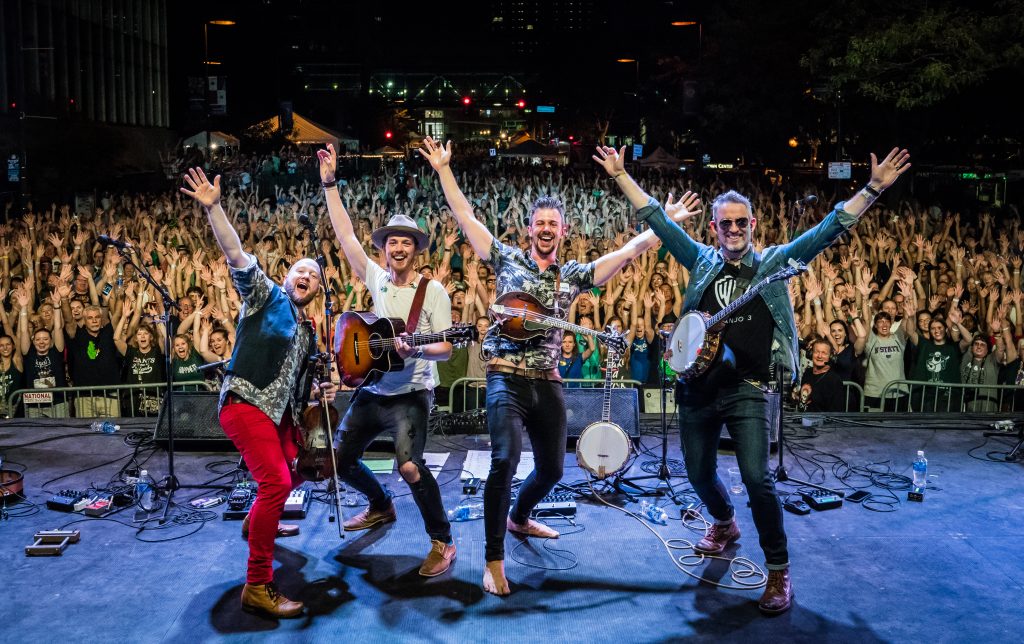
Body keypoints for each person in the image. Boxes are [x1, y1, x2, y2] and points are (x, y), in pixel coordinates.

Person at [608, 143, 911, 614]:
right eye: (724, 223)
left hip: (747, 388)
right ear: (713, 229)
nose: (732, 229)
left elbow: (827, 229)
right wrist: (622, 174)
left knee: (756, 477)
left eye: (740, 222)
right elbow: (658, 221)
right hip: (696, 388)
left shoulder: (773, 263)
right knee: (697, 473)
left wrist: (872, 189)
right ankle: (725, 523)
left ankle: (777, 570)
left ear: (753, 225)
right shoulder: (702, 260)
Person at [420, 136, 701, 595]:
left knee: (552, 470)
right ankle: (493, 562)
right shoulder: (506, 258)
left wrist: (665, 222)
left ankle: (520, 518)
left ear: (563, 231)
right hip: (505, 378)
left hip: (546, 381)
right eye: (539, 223)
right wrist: (445, 170)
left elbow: (629, 252)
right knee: (504, 462)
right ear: (529, 230)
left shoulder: (571, 276)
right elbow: (466, 217)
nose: (546, 229)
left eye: (554, 223)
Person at [180, 166, 336, 619]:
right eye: (299, 270)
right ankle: (258, 584)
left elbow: (300, 389)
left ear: (320, 289)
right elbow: (236, 254)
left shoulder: (309, 331)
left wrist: (320, 390)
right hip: (246, 405)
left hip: (279, 415)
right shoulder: (267, 296)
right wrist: (214, 208)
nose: (305, 275)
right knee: (278, 483)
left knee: (311, 465)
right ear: (286, 278)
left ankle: (256, 522)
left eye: (314, 274)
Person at [318, 144, 457, 578]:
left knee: (411, 466)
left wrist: (416, 348)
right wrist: (330, 184)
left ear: (416, 250)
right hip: (371, 389)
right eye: (392, 241)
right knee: (337, 460)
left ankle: (443, 542)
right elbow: (343, 235)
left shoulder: (432, 292)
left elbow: (448, 347)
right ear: (383, 249)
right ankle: (380, 505)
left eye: (406, 243)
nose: (398, 248)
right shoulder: (376, 277)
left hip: (411, 394)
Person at [797, 340, 845, 412]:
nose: (819, 356)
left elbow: (836, 412)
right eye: (816, 352)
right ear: (811, 354)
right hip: (803, 420)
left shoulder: (834, 380)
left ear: (830, 356)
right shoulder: (807, 372)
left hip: (822, 422)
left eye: (824, 353)